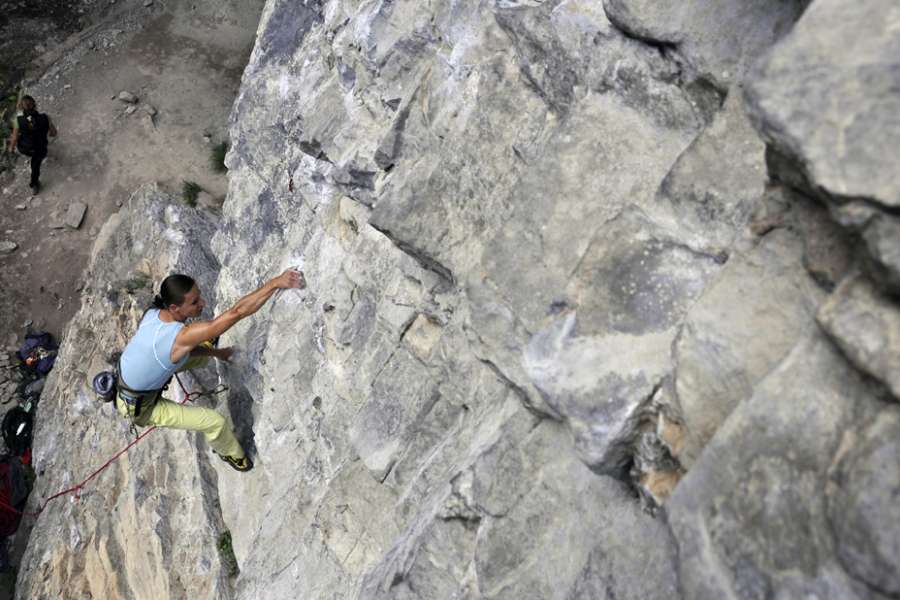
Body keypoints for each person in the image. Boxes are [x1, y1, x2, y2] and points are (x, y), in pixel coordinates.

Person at [116, 269, 306, 472]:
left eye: (199, 296)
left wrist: (217, 353)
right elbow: (237, 313)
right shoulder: (179, 337)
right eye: (194, 302)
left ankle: (209, 350)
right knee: (215, 422)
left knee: (195, 356)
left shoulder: (153, 313)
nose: (202, 303)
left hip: (130, 382)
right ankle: (230, 454)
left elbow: (178, 349)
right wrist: (275, 283)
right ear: (174, 307)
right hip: (141, 407)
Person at [5, 95, 57, 194]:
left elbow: (15, 138)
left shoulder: (18, 120)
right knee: (35, 165)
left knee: (17, 134)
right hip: (41, 149)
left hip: (25, 148)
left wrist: (11, 149)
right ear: (35, 105)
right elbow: (53, 133)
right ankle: (35, 184)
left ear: (21, 107)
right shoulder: (45, 117)